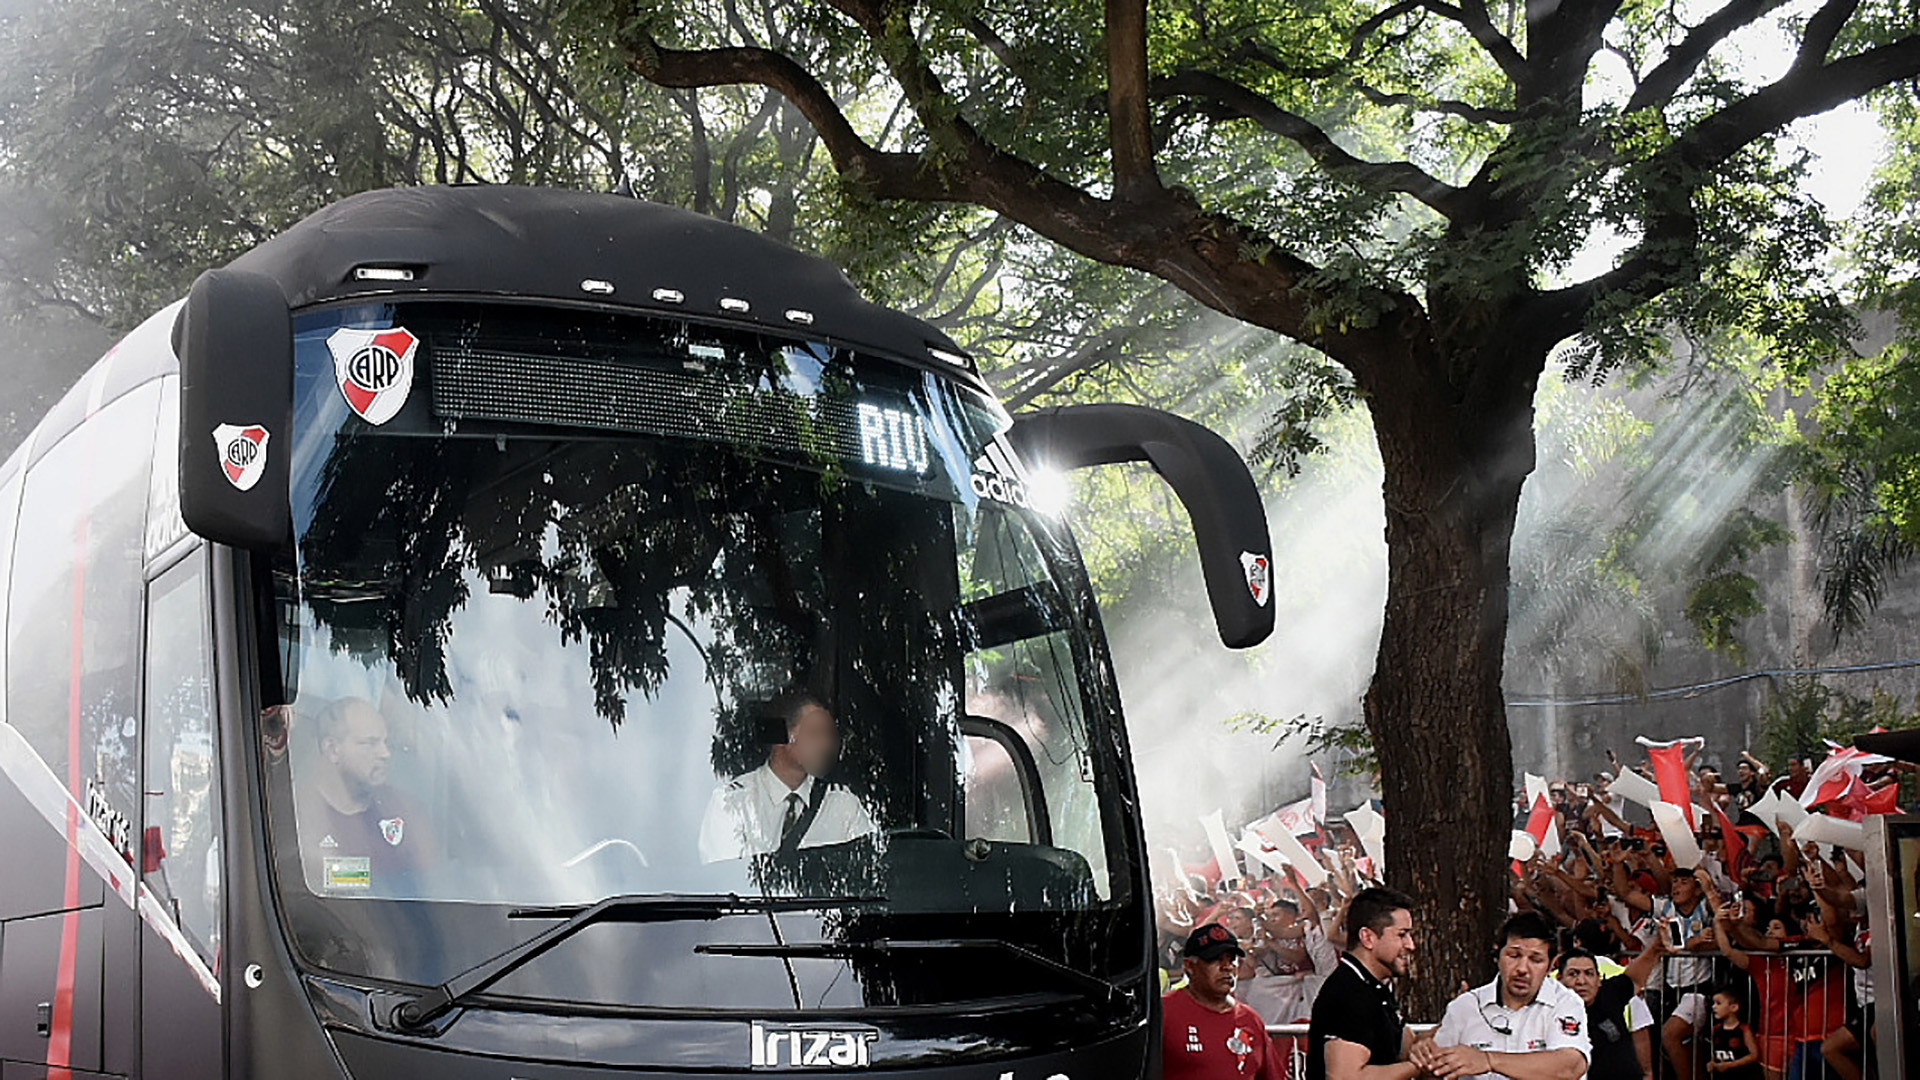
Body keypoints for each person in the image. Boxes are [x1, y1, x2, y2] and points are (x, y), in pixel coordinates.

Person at [698, 691, 877, 862]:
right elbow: (723, 881)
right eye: (815, 732)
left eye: (829, 734)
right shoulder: (731, 805)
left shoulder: (844, 805)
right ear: (782, 736)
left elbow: (867, 868)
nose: (826, 744)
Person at [1415, 911, 1590, 1080]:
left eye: (1535, 960)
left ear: (1552, 965)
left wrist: (1488, 1060)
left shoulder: (1565, 1002)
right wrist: (1424, 1058)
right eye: (1513, 956)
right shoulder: (1465, 1007)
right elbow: (1433, 1072)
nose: (1522, 969)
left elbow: (1570, 1067)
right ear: (1497, 955)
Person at [299, 696, 431, 894]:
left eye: (386, 742)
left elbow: (434, 887)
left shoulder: (407, 811)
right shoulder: (296, 813)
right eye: (370, 743)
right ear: (333, 749)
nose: (385, 753)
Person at [1304, 886, 1418, 1080]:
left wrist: (1456, 1019)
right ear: (1368, 937)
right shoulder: (1348, 993)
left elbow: (1405, 1046)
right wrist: (1418, 1066)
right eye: (1402, 934)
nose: (1410, 945)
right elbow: (1346, 1077)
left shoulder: (1373, 987)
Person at [1161, 922, 1285, 1079]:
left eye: (1232, 959)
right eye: (1215, 959)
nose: (1227, 967)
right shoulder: (1164, 1012)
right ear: (1190, 966)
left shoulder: (1250, 1020)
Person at [1557, 939, 1665, 1080]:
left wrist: (1657, 945)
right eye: (1573, 974)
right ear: (1560, 979)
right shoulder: (1550, 1011)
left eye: (1589, 974)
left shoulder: (1610, 994)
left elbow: (1636, 977)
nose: (1581, 981)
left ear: (1599, 979)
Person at [1703, 988, 1760, 1079]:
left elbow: (1754, 1055)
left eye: (1718, 1003)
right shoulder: (1716, 1029)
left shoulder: (1744, 1029)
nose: (1714, 1007)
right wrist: (1712, 1063)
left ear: (1734, 1007)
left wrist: (1730, 1065)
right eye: (1714, 1003)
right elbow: (1715, 1051)